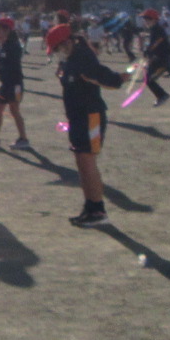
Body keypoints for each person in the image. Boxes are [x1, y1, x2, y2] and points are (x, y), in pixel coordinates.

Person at [49, 22, 123, 227]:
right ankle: (90, 206)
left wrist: (119, 78)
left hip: (90, 115)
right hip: (77, 116)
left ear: (67, 42)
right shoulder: (69, 59)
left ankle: (98, 210)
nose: (56, 53)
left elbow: (103, 76)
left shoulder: (82, 57)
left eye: (56, 48)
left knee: (87, 160)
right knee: (81, 162)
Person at [0, 15, 31, 148]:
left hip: (14, 84)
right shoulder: (4, 45)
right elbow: (2, 63)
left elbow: (10, 65)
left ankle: (23, 139)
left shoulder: (13, 46)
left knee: (14, 110)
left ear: (7, 30)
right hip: (6, 84)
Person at [140, 9, 170, 106]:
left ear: (155, 19)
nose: (146, 21)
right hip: (158, 58)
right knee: (147, 78)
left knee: (148, 78)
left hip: (162, 59)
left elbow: (158, 41)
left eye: (148, 19)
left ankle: (162, 95)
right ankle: (162, 95)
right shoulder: (153, 29)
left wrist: (149, 50)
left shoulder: (157, 29)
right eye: (145, 19)